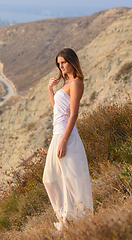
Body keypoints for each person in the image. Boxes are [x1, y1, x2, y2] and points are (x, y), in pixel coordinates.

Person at [43, 48, 93, 233]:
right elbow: (58, 110)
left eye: (63, 62)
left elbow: (73, 115)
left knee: (72, 180)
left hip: (67, 137)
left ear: (72, 61)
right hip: (58, 135)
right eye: (59, 63)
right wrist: (50, 89)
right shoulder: (66, 82)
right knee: (50, 179)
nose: (61, 66)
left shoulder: (76, 83)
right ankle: (66, 219)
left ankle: (75, 223)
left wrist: (64, 141)